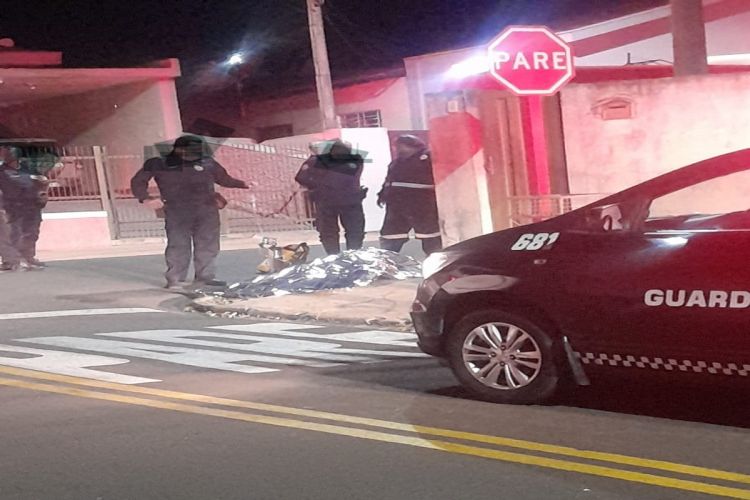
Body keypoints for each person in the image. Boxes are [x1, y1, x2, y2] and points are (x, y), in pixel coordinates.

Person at [130, 135, 249, 290]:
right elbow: (138, 182)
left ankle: (205, 278)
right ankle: (175, 279)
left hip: (207, 209)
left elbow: (224, 179)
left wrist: (243, 184)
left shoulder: (207, 163)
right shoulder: (158, 163)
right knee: (178, 244)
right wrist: (145, 199)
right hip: (176, 210)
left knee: (208, 245)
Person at [295, 140, 366, 255]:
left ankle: (333, 256)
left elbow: (301, 177)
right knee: (354, 230)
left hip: (326, 201)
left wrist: (316, 186)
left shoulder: (319, 161)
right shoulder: (356, 159)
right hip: (350, 201)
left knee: (328, 232)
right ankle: (353, 255)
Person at [377, 135, 442, 255]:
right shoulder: (396, 162)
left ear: (413, 146)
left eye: (400, 146)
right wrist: (382, 194)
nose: (397, 149)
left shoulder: (428, 159)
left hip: (422, 205)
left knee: (430, 237)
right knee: (391, 236)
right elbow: (389, 180)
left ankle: (437, 264)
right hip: (397, 206)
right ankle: (387, 262)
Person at [0, 145, 52, 270]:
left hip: (31, 206)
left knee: (31, 232)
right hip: (10, 207)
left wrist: (43, 185)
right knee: (10, 234)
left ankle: (28, 257)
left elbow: (41, 182)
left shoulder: (28, 170)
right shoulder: (2, 172)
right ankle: (11, 261)